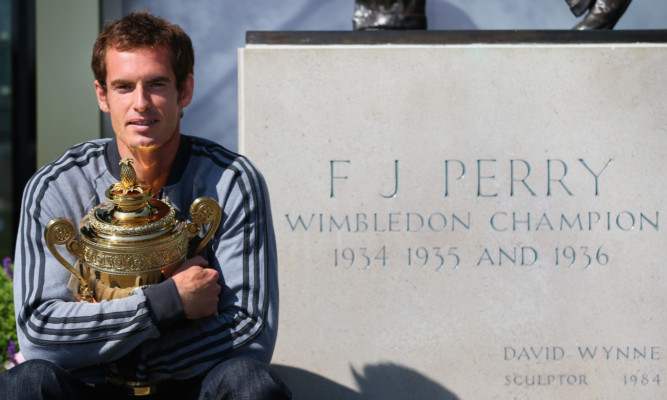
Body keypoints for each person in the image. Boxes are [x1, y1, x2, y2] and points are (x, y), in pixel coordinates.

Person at [0, 11, 291, 400]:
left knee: (250, 384)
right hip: (90, 390)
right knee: (26, 384)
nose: (141, 103)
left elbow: (250, 330)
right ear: (102, 95)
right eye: (123, 87)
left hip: (193, 388)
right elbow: (39, 334)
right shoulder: (57, 185)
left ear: (184, 91)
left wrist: (109, 346)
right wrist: (166, 303)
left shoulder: (232, 181)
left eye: (156, 84)